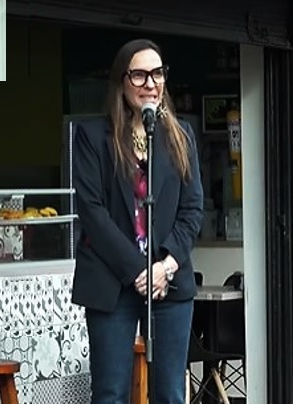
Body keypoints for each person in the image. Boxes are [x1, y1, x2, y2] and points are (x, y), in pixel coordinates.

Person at [71, 38, 204, 404]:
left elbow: (193, 209)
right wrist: (138, 271)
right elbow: (92, 212)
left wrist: (165, 266)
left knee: (170, 394)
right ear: (121, 81)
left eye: (157, 74)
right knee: (110, 393)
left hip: (168, 281)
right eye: (140, 75)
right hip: (112, 281)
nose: (150, 84)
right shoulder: (92, 137)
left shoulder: (181, 136)